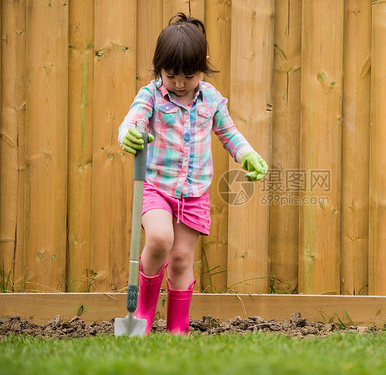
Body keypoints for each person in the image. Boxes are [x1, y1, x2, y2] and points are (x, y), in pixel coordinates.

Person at [118, 12, 268, 335]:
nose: (180, 83)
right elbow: (131, 121)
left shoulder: (211, 100)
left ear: (204, 64)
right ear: (158, 68)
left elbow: (229, 133)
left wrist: (248, 155)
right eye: (171, 75)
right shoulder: (152, 96)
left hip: (194, 193)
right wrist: (128, 134)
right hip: (157, 187)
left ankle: (177, 331)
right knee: (160, 238)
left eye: (189, 75)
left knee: (182, 259)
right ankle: (141, 317)